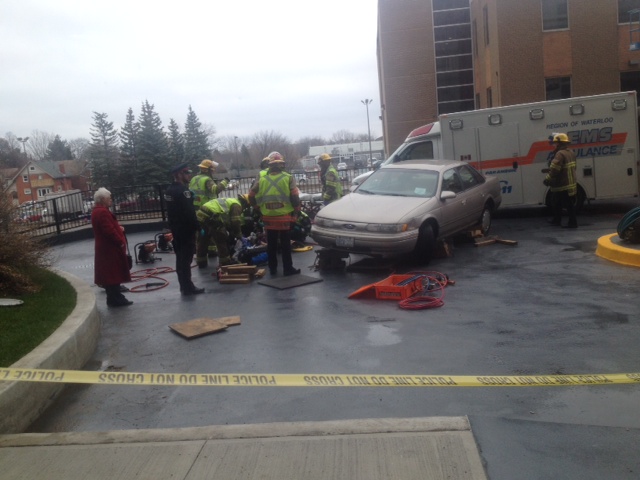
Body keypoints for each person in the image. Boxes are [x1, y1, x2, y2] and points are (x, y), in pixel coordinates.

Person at [249, 151, 302, 276]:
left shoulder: (262, 180)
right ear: (281, 165)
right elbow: (294, 197)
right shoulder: (288, 178)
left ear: (270, 165)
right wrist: (296, 212)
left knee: (271, 244)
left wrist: (257, 208)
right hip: (284, 217)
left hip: (267, 217)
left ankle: (272, 269)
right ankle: (288, 269)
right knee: (285, 244)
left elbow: (251, 195)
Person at [164, 163, 205, 295]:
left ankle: (184, 285)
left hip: (176, 229)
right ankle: (188, 287)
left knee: (180, 258)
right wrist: (198, 227)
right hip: (186, 230)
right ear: (179, 174)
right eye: (187, 173)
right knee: (186, 259)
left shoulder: (169, 190)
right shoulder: (183, 191)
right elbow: (189, 213)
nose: (189, 175)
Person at [91, 187, 133, 307]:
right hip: (110, 249)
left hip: (105, 248)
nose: (111, 200)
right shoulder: (103, 212)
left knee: (110, 274)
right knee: (113, 274)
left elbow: (106, 227)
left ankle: (113, 297)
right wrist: (120, 242)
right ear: (103, 199)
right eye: (109, 198)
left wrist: (118, 228)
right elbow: (108, 231)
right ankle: (116, 298)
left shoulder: (96, 211)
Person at [189, 159, 230, 268]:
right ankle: (220, 258)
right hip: (208, 210)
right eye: (212, 170)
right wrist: (225, 181)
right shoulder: (207, 180)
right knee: (215, 232)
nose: (213, 172)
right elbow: (215, 190)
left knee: (202, 235)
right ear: (207, 170)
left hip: (197, 211)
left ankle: (202, 259)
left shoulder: (194, 179)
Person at [196, 195, 246, 267]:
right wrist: (239, 235)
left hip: (201, 214)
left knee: (203, 239)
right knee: (221, 239)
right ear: (244, 203)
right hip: (212, 215)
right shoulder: (237, 205)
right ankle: (225, 263)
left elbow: (226, 218)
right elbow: (235, 221)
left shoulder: (230, 201)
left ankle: (201, 262)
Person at [544, 133, 577, 228]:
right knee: (562, 203)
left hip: (562, 184)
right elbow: (574, 167)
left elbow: (555, 169)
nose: (554, 145)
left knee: (560, 203)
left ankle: (571, 223)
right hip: (569, 183)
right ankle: (557, 220)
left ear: (559, 143)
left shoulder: (559, 154)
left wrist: (547, 179)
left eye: (555, 143)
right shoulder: (571, 152)